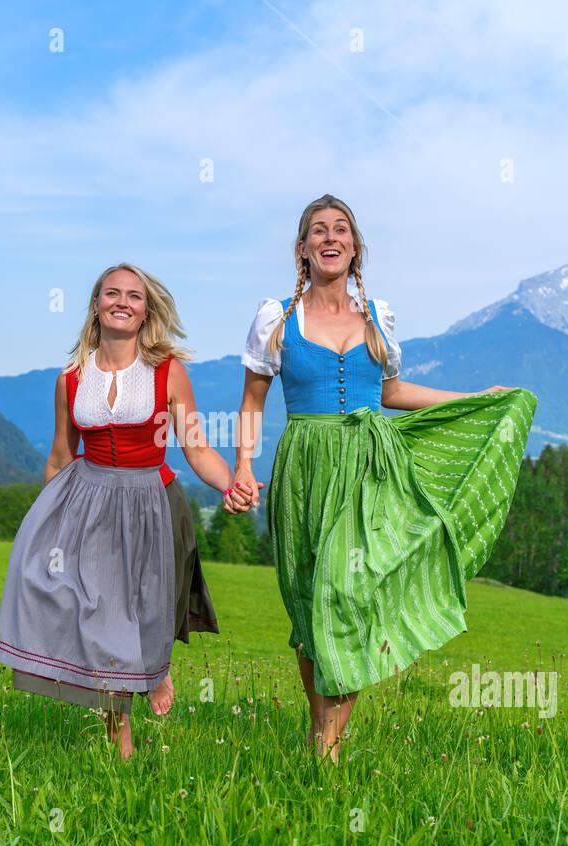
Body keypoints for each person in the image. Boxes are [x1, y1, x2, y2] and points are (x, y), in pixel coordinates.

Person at [231, 194, 538, 762]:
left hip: (373, 463)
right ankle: (318, 726)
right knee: (308, 602)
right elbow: (253, 400)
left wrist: (473, 398)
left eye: (341, 229)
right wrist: (244, 466)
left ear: (354, 246)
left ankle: (327, 744)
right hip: (306, 463)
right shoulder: (276, 318)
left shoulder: (379, 316)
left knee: (347, 593)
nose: (330, 237)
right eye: (318, 231)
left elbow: (390, 393)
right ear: (302, 250)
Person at [0, 263, 241, 759]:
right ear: (97, 305)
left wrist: (230, 485)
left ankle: (155, 666)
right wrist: (47, 525)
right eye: (112, 293)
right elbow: (61, 455)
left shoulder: (168, 371)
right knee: (98, 616)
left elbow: (195, 448)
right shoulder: (70, 378)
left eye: (133, 295)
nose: (122, 302)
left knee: (145, 612)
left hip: (150, 502)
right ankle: (119, 735)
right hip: (88, 504)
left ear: (146, 309)